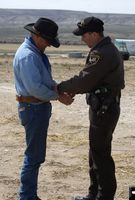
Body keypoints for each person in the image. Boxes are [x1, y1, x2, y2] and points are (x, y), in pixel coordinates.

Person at [57, 16, 125, 200]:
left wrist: (58, 88)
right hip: (104, 107)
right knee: (96, 152)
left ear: (94, 34)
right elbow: (90, 80)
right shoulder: (106, 49)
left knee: (100, 154)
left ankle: (103, 196)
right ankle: (94, 193)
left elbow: (85, 80)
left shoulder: (102, 52)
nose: (82, 39)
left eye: (84, 35)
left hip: (104, 109)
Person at [13, 17, 73, 200]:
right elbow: (35, 89)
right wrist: (58, 97)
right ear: (38, 37)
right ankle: (27, 196)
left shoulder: (35, 53)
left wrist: (58, 88)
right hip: (33, 108)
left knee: (35, 155)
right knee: (33, 157)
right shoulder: (29, 56)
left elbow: (44, 82)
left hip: (35, 108)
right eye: (47, 41)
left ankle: (29, 195)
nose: (47, 45)